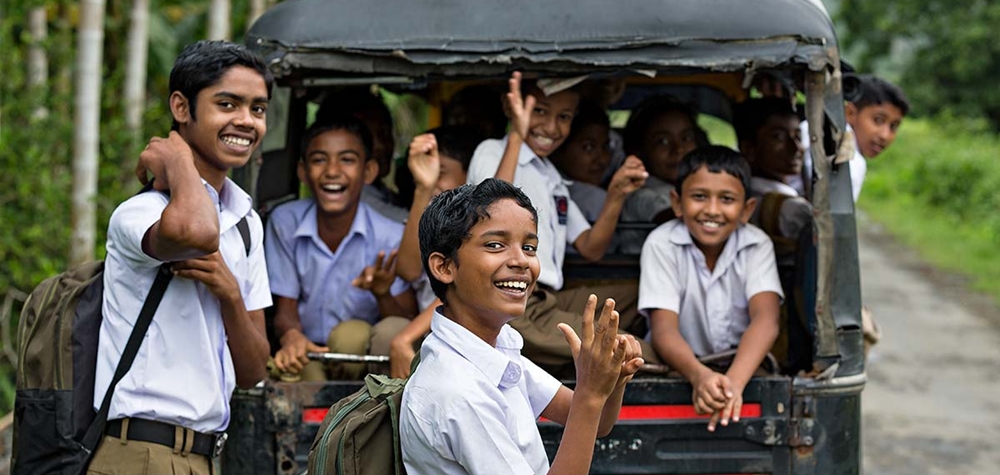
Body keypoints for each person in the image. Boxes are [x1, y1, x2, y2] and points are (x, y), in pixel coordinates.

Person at [90, 40, 273, 474]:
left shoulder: (246, 223)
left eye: (258, 109)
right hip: (137, 452)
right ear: (181, 106)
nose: (246, 121)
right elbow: (197, 232)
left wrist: (230, 295)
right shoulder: (140, 214)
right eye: (227, 104)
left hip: (205, 457)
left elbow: (254, 372)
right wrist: (176, 158)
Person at [400, 178, 644, 475]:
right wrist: (591, 393)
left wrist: (613, 372)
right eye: (495, 245)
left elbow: (597, 421)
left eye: (529, 247)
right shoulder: (458, 391)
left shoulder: (497, 348)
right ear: (445, 267)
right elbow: (589, 407)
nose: (521, 261)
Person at [466, 72, 654, 375]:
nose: (551, 127)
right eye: (539, 111)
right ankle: (674, 362)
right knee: (619, 348)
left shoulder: (550, 174)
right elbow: (493, 211)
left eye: (564, 117)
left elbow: (590, 247)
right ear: (510, 106)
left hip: (549, 299)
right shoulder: (493, 151)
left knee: (645, 292)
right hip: (517, 304)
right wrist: (517, 132)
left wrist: (616, 194)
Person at [639, 146, 782, 432]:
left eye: (727, 199)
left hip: (741, 364)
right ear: (677, 203)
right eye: (699, 197)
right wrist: (698, 376)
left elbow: (766, 320)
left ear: (747, 210)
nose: (712, 210)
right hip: (678, 365)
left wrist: (734, 385)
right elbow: (664, 330)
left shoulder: (757, 245)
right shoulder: (661, 244)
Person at [265, 115, 418, 382]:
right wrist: (292, 337)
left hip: (364, 361)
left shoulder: (391, 234)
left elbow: (404, 323)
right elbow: (285, 310)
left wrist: (382, 294)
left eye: (347, 159)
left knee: (352, 336)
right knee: (302, 380)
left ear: (368, 171)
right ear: (302, 171)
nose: (332, 171)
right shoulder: (285, 222)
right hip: (310, 352)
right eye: (319, 160)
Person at [387, 126, 482, 378]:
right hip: (429, 328)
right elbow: (407, 270)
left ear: (468, 175)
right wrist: (423, 187)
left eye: (440, 173)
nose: (434, 181)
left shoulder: (477, 227)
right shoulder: (424, 215)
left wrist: (405, 337)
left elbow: (459, 294)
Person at [618, 96, 709, 254]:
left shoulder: (688, 189)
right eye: (663, 142)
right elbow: (688, 225)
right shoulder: (641, 195)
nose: (678, 149)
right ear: (638, 150)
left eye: (686, 138)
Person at [735, 98, 813, 259]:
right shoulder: (792, 210)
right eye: (778, 137)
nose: (796, 147)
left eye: (797, 137)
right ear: (749, 148)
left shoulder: (738, 198)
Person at [316, 88, 410, 222]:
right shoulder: (356, 199)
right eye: (367, 139)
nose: (381, 146)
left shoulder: (381, 192)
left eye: (384, 133)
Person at [549, 100, 614, 222]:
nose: (602, 159)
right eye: (588, 147)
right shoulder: (595, 197)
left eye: (605, 146)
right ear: (560, 147)